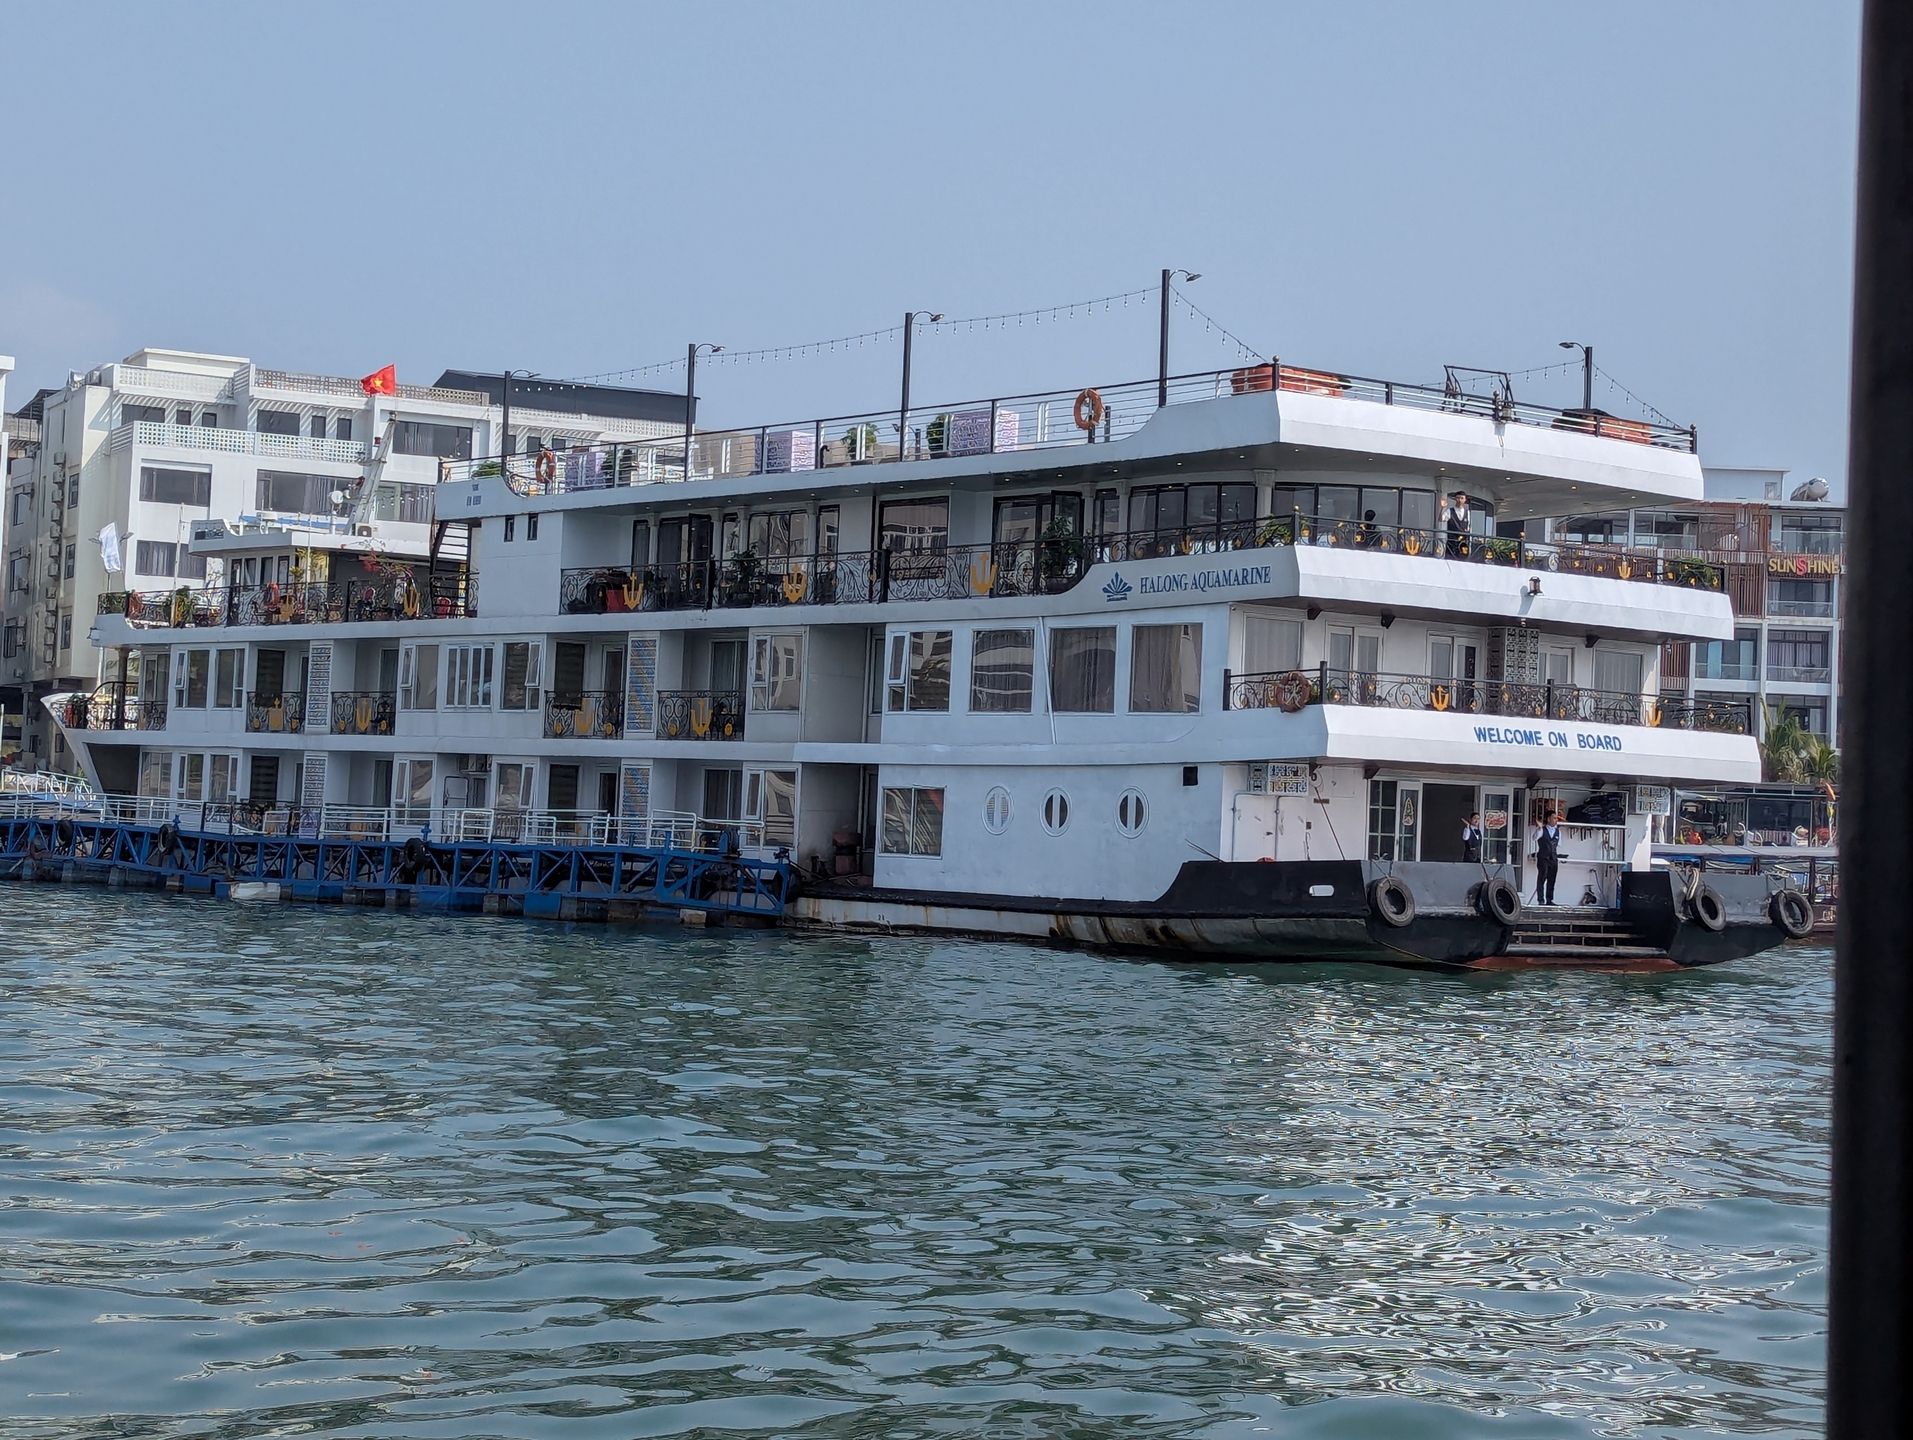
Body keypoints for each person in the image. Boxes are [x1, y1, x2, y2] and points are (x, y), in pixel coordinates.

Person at [1531, 808, 1562, 904]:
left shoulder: (1558, 832)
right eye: (1554, 818)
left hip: (1553, 858)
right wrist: (1539, 828)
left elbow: (1558, 844)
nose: (1556, 820)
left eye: (1556, 818)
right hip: (1543, 858)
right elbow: (1534, 838)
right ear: (1548, 819)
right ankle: (1540, 900)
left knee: (1552, 879)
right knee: (1542, 878)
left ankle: (1549, 899)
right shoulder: (1542, 830)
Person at [1442, 492, 1471, 558]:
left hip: (1463, 543)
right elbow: (1441, 519)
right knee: (1450, 559)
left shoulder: (1467, 512)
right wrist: (1442, 509)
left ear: (1465, 500)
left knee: (1463, 559)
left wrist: (1467, 531)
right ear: (1455, 499)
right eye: (1458, 498)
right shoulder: (1450, 511)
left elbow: (1468, 526)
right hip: (1452, 542)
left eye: (1462, 498)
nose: (1460, 500)